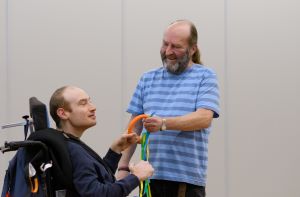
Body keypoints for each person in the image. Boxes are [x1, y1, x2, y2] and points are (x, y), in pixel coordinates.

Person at [117, 19, 220, 197]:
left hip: (185, 183)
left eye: (176, 47)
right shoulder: (147, 79)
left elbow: (204, 118)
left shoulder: (205, 76)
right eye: (165, 44)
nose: (168, 51)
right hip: (148, 179)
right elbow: (134, 127)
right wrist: (123, 167)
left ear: (192, 49)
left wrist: (164, 124)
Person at [49, 85, 154, 197]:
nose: (93, 107)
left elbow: (100, 178)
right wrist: (136, 177)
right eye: (83, 103)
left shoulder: (68, 144)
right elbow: (98, 193)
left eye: (90, 101)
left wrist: (115, 150)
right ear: (63, 113)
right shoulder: (73, 151)